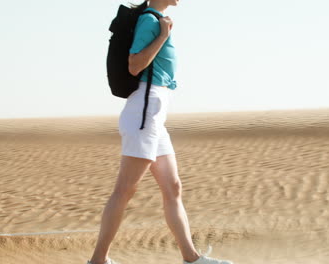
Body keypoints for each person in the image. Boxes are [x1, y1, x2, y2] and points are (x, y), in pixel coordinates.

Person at [88, 1, 233, 263]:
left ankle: (191, 258)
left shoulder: (156, 19)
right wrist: (163, 35)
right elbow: (134, 65)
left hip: (154, 112)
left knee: (173, 187)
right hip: (145, 110)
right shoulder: (150, 21)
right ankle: (98, 260)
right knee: (124, 190)